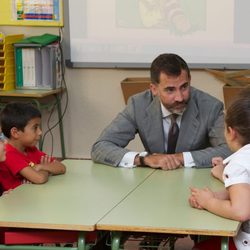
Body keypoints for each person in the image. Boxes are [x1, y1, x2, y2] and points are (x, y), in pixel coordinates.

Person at [91, 53, 231, 170]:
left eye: (184, 87)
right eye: (170, 90)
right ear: (154, 89)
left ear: (189, 81)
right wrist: (144, 159)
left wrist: (179, 158)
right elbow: (100, 147)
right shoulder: (138, 105)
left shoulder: (210, 107)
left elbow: (229, 150)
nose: (179, 97)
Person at [189, 91, 250, 250]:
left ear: (231, 132)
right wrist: (215, 196)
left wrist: (209, 202)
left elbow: (241, 211)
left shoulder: (239, 163)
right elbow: (244, 190)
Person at [0, 102, 66, 192]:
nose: (40, 132)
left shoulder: (30, 149)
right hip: (16, 201)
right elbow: (39, 179)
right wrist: (45, 168)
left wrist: (41, 167)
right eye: (35, 128)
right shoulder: (8, 153)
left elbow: (61, 167)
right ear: (15, 133)